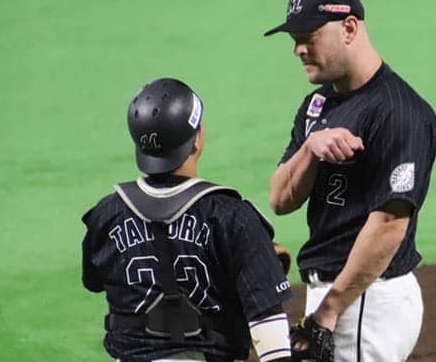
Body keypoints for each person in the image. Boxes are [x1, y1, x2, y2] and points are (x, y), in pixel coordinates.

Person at [264, 0, 436, 362]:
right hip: (338, 298)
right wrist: (311, 148)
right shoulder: (317, 106)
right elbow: (279, 199)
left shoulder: (400, 112)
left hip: (364, 299)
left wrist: (330, 310)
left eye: (308, 37)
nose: (298, 49)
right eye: (294, 39)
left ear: (348, 28)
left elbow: (389, 225)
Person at [81, 78, 294, 362]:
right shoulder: (231, 216)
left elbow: (93, 281)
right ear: (197, 139)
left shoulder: (106, 215)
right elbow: (269, 327)